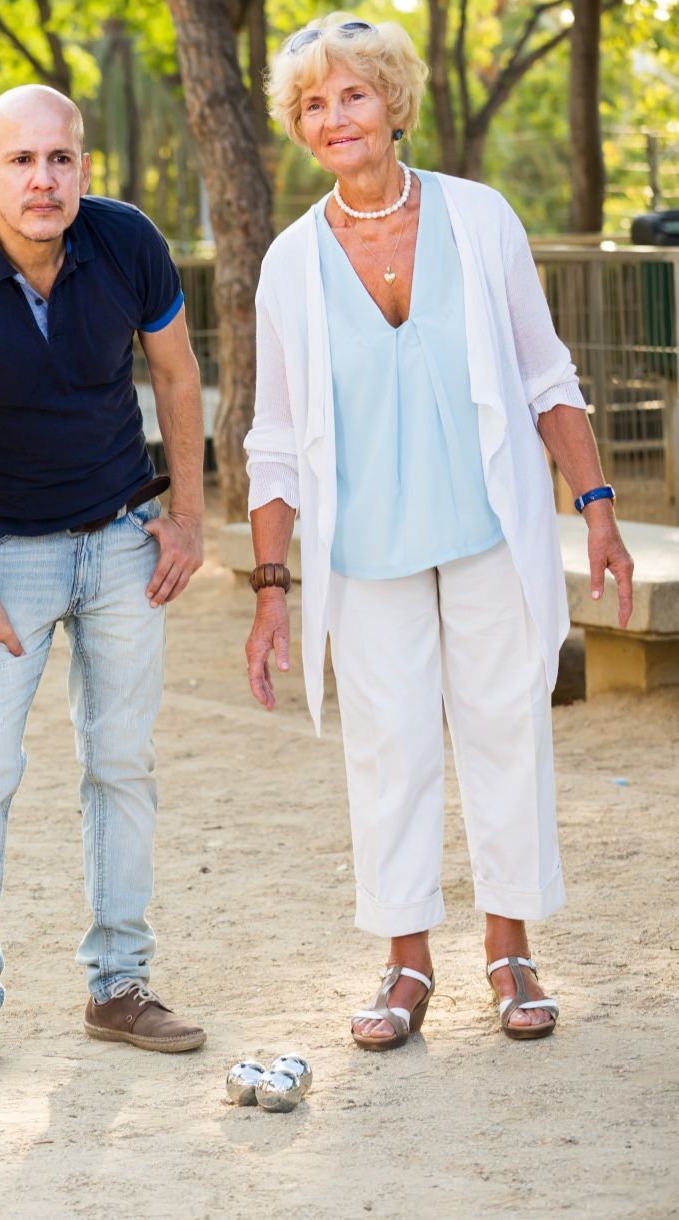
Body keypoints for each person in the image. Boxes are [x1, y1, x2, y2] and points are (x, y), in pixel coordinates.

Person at [244, 13, 635, 1050]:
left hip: (485, 535)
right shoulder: (289, 263)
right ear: (299, 124)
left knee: (508, 731)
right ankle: (405, 959)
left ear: (394, 102)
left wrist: (596, 505)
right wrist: (271, 584)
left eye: (354, 94)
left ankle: (510, 948)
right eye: (314, 103)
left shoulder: (478, 219)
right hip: (363, 554)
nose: (336, 117)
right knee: (391, 753)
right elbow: (274, 438)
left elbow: (547, 374)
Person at [0, 84, 211, 1084]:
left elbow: (176, 374)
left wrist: (189, 517)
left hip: (119, 539)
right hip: (0, 554)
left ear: (83, 166)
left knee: (121, 763)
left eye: (61, 159)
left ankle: (120, 985)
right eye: (21, 161)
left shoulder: (127, 243)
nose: (44, 179)